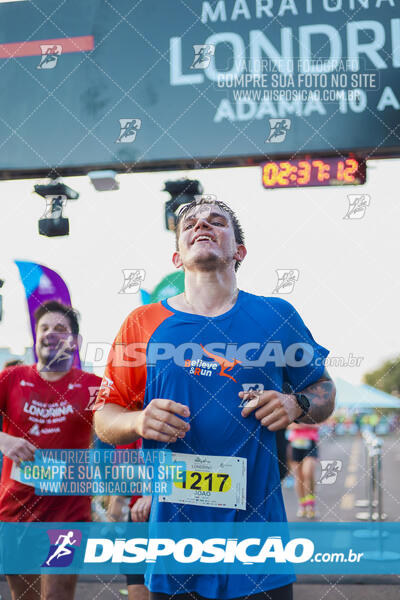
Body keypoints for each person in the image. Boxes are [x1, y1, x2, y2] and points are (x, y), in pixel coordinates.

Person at [94, 198, 336, 600]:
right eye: (190, 223)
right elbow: (105, 416)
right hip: (175, 545)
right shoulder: (142, 323)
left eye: (217, 221)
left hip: (258, 543)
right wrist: (137, 422)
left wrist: (296, 404)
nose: (202, 224)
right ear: (177, 255)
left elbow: (323, 391)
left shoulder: (276, 315)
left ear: (238, 251)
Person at [0, 300, 101, 600]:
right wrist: (4, 441)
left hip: (68, 514)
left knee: (57, 596)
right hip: (16, 511)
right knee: (25, 597)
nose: (50, 334)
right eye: (44, 328)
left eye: (60, 328)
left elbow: (121, 426)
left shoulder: (94, 386)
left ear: (76, 341)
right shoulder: (12, 378)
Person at [288, 423, 320, 518]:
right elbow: (289, 425)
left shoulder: (314, 408)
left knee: (308, 474)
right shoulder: (293, 408)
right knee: (299, 477)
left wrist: (301, 426)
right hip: (295, 444)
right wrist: (304, 426)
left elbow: (318, 425)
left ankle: (311, 505)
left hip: (310, 443)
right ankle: (302, 506)